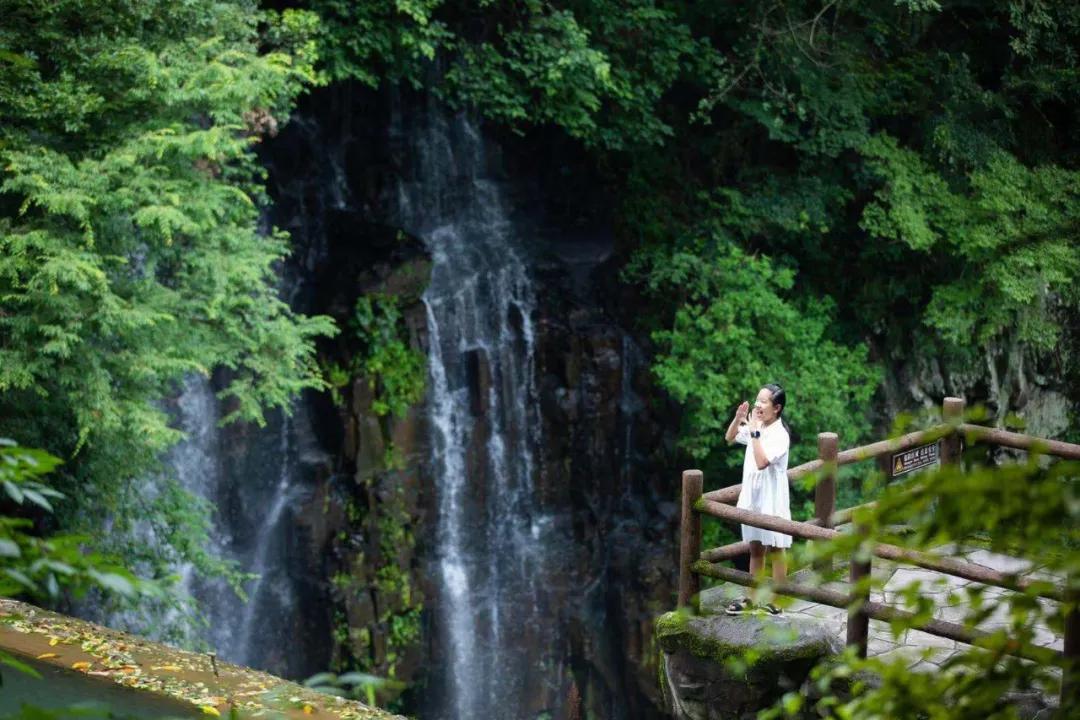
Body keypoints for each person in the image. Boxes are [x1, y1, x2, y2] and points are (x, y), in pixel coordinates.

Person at [723, 383, 791, 615]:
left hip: (771, 498)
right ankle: (752, 597)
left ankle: (779, 599)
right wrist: (738, 419)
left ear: (777, 408)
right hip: (753, 496)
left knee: (776, 548)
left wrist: (753, 432)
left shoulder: (780, 435)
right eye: (757, 400)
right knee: (755, 549)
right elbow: (730, 437)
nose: (758, 405)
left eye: (764, 402)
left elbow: (762, 463)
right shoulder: (757, 425)